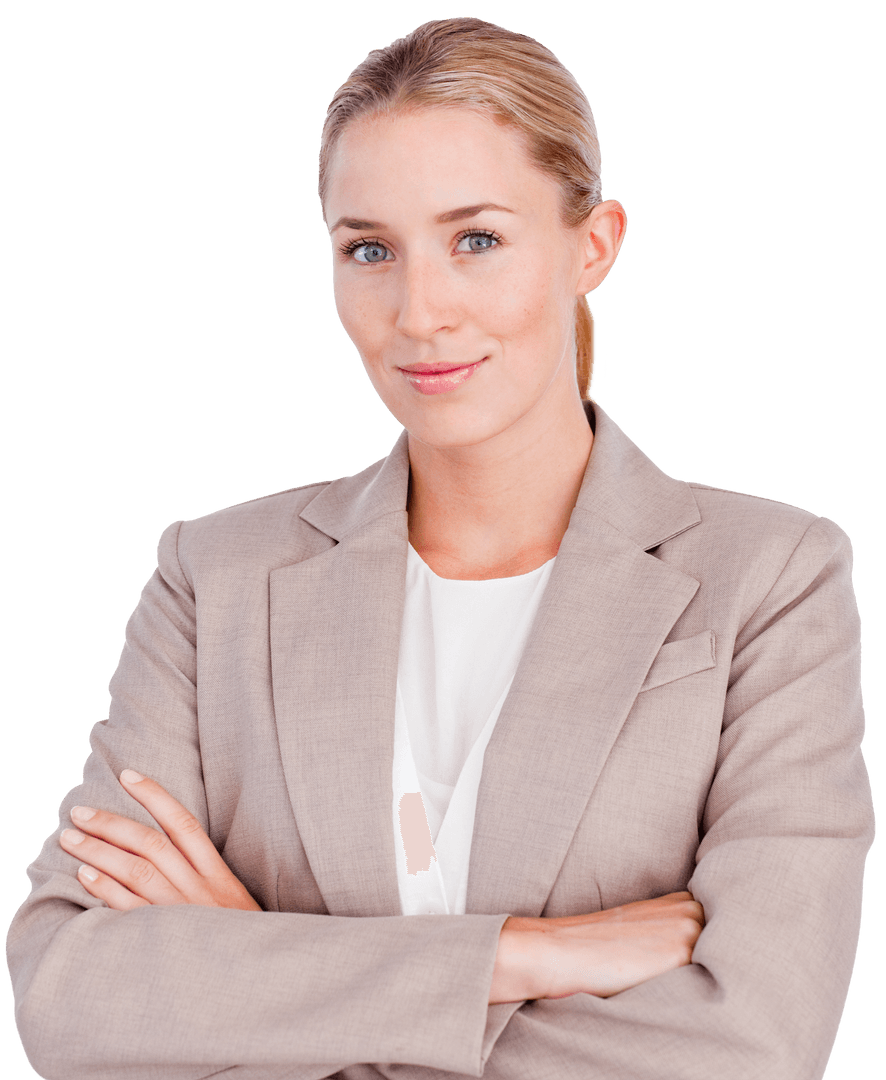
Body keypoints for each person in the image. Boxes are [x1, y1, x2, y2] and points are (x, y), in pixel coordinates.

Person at [6, 16, 874, 1080]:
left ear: (591, 244)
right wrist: (525, 954)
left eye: (476, 240)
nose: (418, 312)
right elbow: (70, 993)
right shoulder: (212, 577)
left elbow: (752, 1042)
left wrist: (256, 970)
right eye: (369, 250)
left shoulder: (770, 578)